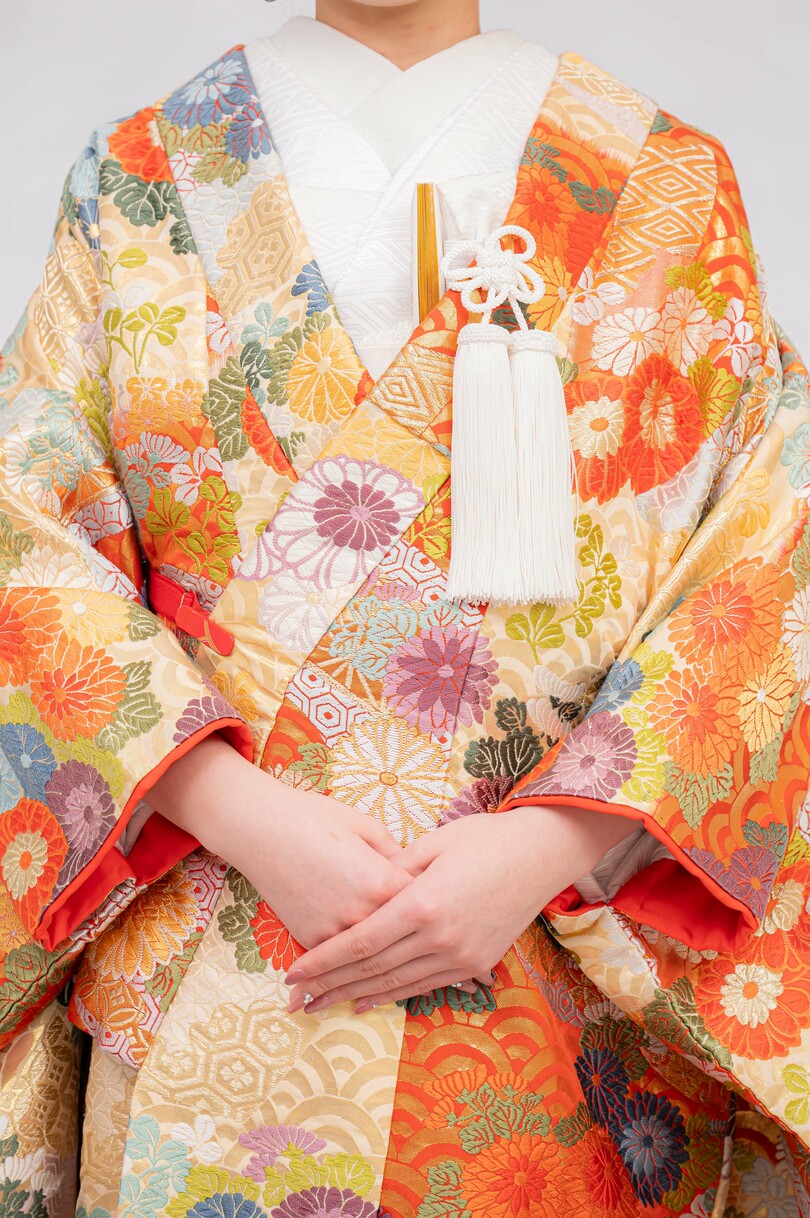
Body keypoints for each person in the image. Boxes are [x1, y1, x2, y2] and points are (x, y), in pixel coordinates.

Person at [0, 0, 808, 1213]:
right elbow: (25, 536)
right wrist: (238, 811)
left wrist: (546, 844)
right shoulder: (139, 177)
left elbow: (767, 552)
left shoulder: (662, 180)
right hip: (218, 951)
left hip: (548, 974)